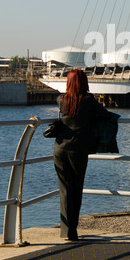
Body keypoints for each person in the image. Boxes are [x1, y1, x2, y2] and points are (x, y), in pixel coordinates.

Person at [53, 68, 111, 240]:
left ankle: (66, 231)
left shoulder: (60, 100)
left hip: (60, 149)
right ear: (84, 83)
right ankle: (73, 230)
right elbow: (105, 115)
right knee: (77, 188)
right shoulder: (88, 100)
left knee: (65, 190)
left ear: (68, 83)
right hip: (78, 150)